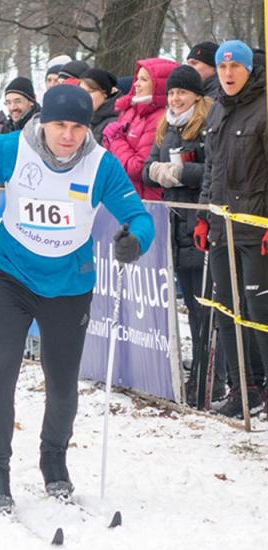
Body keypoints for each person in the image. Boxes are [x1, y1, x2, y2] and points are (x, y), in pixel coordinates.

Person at [0, 84, 154, 515]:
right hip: (12, 277)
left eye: (78, 127)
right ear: (43, 122)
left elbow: (138, 216)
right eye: (60, 125)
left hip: (69, 285)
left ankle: (54, 462)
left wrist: (134, 240)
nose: (68, 135)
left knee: (62, 382)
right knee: (2, 370)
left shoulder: (100, 164)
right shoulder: (11, 149)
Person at [195, 40, 268, 417]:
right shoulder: (218, 111)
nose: (227, 75)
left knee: (259, 312)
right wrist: (204, 216)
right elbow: (211, 169)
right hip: (222, 227)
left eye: (234, 68)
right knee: (227, 310)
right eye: (222, 69)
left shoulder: (263, 108)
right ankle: (245, 388)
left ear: (248, 70)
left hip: (256, 229)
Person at [142, 65, 219, 405]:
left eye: (182, 93)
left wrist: (182, 172)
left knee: (205, 310)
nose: (175, 99)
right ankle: (198, 376)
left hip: (200, 225)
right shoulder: (166, 126)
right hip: (174, 228)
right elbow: (147, 166)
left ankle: (209, 379)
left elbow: (215, 171)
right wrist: (156, 171)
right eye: (172, 93)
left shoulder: (205, 124)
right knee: (189, 305)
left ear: (196, 96)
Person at [104, 57, 178, 200]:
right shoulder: (131, 111)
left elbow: (139, 168)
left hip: (145, 201)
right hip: (122, 195)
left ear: (159, 84)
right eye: (137, 79)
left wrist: (115, 140)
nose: (136, 84)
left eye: (144, 79)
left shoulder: (160, 118)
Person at [79, 68, 120, 144]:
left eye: (89, 92)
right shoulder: (84, 116)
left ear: (104, 93)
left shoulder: (114, 123)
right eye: (81, 92)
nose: (84, 97)